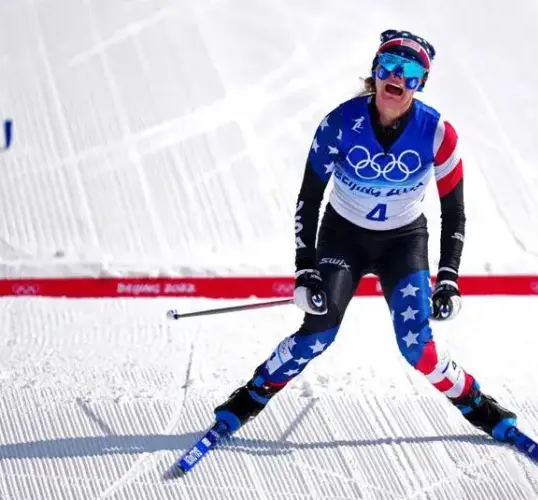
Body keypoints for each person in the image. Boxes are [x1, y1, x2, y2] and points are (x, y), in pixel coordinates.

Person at [213, 29, 517, 443]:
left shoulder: (438, 133)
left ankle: (476, 403)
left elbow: (454, 210)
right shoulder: (340, 122)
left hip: (403, 241)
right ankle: (251, 396)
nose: (397, 77)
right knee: (318, 332)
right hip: (344, 238)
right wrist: (305, 270)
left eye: (411, 72)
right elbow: (309, 197)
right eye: (388, 66)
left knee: (417, 347)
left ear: (421, 83)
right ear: (373, 72)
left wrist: (449, 277)